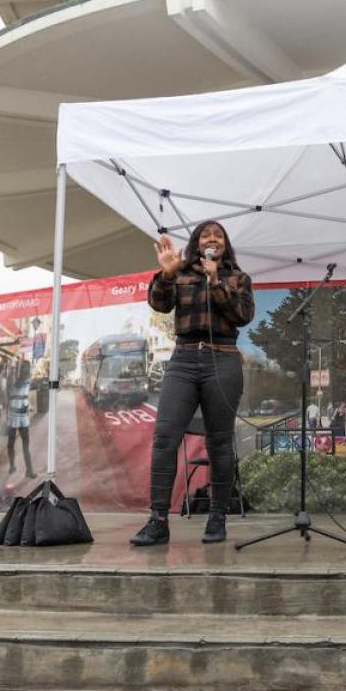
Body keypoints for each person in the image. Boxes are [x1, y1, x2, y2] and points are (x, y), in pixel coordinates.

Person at [130, 220, 255, 547]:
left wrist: (216, 281)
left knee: (219, 441)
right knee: (164, 437)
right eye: (205, 235)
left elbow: (242, 315)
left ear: (225, 245)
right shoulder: (181, 274)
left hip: (223, 360)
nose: (212, 239)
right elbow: (160, 304)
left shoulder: (238, 278)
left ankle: (217, 517)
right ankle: (158, 521)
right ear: (196, 244)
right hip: (184, 360)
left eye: (218, 236)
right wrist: (167, 274)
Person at [6, 359, 36, 479]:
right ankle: (28, 470)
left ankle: (13, 466)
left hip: (14, 416)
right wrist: (29, 406)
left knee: (11, 444)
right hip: (22, 417)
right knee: (24, 445)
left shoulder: (15, 381)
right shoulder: (28, 381)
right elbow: (24, 398)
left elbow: (13, 398)